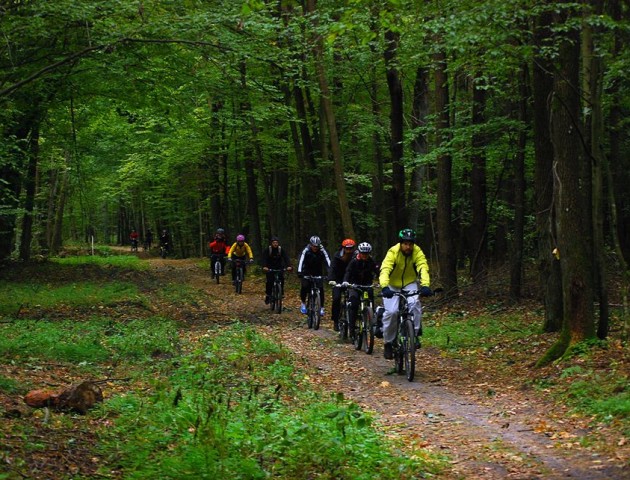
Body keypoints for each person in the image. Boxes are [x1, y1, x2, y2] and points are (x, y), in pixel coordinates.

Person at [379, 228, 432, 360]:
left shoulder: (417, 252)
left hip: (409, 282)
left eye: (410, 244)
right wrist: (385, 287)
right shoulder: (393, 252)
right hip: (392, 284)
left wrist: (425, 285)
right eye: (405, 244)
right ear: (401, 243)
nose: (408, 247)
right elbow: (385, 269)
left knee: (415, 303)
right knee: (392, 312)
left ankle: (414, 334)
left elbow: (423, 267)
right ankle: (388, 342)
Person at [342, 242, 378, 337]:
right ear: (359, 253)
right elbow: (348, 272)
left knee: (371, 299)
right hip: (355, 285)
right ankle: (352, 328)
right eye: (363, 253)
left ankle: (371, 320)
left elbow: (378, 271)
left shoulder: (371, 261)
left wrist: (381, 281)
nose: (365, 256)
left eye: (367, 254)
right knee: (354, 303)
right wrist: (346, 281)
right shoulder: (354, 261)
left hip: (367, 285)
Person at [297, 235, 331, 316]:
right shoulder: (306, 250)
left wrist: (330, 272)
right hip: (307, 271)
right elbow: (301, 261)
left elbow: (328, 261)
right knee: (305, 287)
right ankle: (303, 303)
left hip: (317, 272)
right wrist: (299, 272)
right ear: (310, 244)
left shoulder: (322, 250)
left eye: (317, 246)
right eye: (313, 246)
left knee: (321, 289)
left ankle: (321, 307)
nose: (315, 248)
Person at [328, 238, 356, 331]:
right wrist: (332, 280)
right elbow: (332, 268)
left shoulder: (356, 256)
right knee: (336, 299)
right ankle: (336, 320)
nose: (349, 250)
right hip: (338, 280)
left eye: (351, 248)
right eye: (347, 248)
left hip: (350, 280)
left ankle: (353, 321)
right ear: (343, 248)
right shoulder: (337, 256)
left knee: (354, 300)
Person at [261, 236, 293, 304]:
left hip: (279, 267)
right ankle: (268, 295)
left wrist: (289, 266)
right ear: (271, 243)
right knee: (269, 281)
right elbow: (264, 258)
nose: (275, 244)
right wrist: (264, 266)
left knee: (281, 279)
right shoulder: (268, 250)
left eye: (276, 242)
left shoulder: (280, 249)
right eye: (274, 243)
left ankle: (281, 292)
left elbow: (286, 257)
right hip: (270, 268)